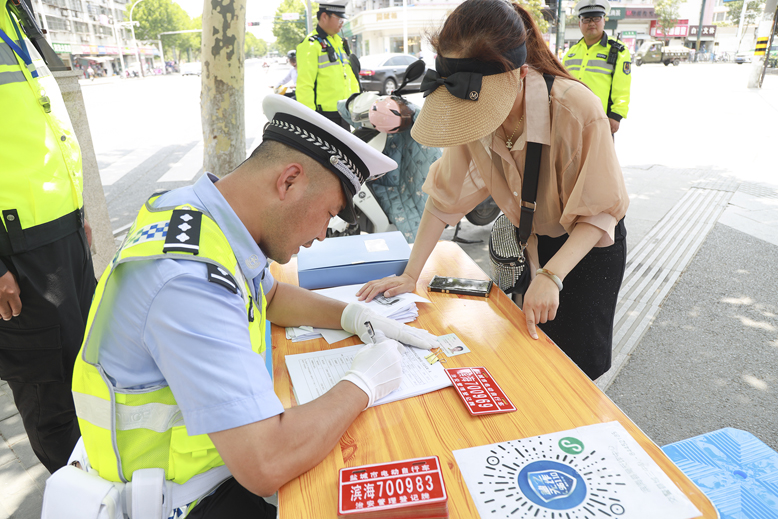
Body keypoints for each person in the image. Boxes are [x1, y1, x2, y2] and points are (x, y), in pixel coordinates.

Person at [49, 95, 438, 518]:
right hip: (181, 500)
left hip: (201, 469)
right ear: (288, 181)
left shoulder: (203, 216)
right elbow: (266, 463)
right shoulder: (187, 281)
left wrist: (354, 315)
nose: (324, 234)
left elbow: (268, 294)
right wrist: (363, 383)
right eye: (328, 213)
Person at [357, 0, 629, 381]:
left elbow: (601, 212)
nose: (476, 117)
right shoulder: (474, 111)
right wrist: (410, 274)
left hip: (587, 247)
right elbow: (442, 199)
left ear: (518, 73)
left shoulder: (575, 109)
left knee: (577, 370)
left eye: (481, 105)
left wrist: (551, 276)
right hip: (532, 240)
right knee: (533, 354)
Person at [0, 0, 96, 473]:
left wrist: (76, 211)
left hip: (63, 233)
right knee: (50, 392)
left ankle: (100, 484)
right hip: (16, 251)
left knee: (88, 371)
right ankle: (75, 495)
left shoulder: (14, 16)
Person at [563, 0, 631, 135]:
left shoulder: (618, 50)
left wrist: (616, 115)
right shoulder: (571, 52)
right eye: (586, 19)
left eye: (596, 18)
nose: (591, 23)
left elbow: (622, 87)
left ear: (604, 21)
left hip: (601, 118)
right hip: (571, 118)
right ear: (579, 23)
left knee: (599, 156)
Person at [296, 1, 360, 129]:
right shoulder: (310, 45)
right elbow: (305, 85)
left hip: (345, 112)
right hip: (325, 117)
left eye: (343, 18)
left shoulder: (339, 42)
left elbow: (350, 76)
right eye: (339, 18)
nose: (342, 22)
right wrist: (310, 118)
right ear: (324, 16)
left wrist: (357, 103)